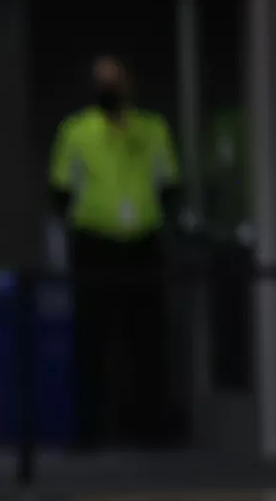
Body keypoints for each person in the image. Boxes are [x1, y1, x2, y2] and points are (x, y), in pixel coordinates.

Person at [49, 55, 182, 448]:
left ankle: (151, 430)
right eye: (101, 80)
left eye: (114, 79)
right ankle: (88, 431)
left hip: (143, 241)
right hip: (94, 242)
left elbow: (169, 185)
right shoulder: (76, 131)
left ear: (129, 83)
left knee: (148, 338)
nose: (108, 87)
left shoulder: (153, 129)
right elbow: (60, 192)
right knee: (91, 338)